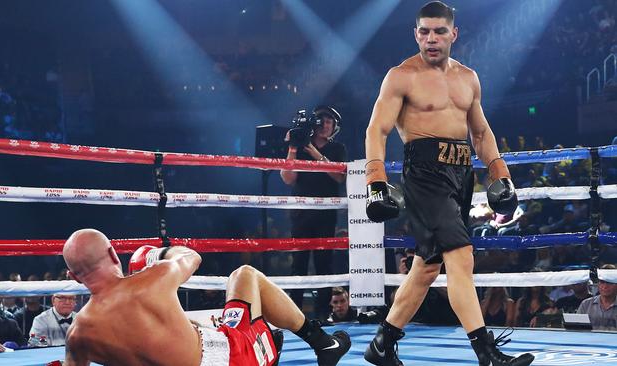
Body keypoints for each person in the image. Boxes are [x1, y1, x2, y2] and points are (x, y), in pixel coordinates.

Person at [362, 2, 534, 365]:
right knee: (461, 258)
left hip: (461, 174)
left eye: (439, 31)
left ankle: (382, 343)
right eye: (424, 31)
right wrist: (376, 179)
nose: (431, 38)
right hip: (424, 174)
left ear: (453, 33)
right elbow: (376, 129)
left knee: (427, 265)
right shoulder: (401, 76)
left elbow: (480, 130)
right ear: (415, 34)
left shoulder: (468, 77)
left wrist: (499, 172)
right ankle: (486, 353)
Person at [59, 229, 350, 366]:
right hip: (232, 358)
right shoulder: (151, 280)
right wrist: (155, 254)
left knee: (224, 321)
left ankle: (265, 338)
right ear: (112, 253)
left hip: (218, 343)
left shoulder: (78, 335)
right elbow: (191, 257)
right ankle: (324, 344)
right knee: (245, 275)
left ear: (73, 277)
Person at [280, 105, 347, 318]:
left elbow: (339, 177)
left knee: (323, 263)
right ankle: (294, 314)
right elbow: (288, 179)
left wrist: (313, 152)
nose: (325, 125)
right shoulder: (299, 147)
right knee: (298, 264)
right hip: (301, 212)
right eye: (322, 121)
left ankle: (323, 313)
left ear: (334, 126)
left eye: (330, 122)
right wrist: (293, 147)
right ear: (315, 123)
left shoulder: (337, 149)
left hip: (326, 213)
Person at [576, 264, 617, 331]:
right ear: (598, 284)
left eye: (610, 283)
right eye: (602, 282)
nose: (605, 287)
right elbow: (576, 329)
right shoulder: (586, 304)